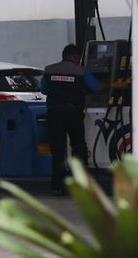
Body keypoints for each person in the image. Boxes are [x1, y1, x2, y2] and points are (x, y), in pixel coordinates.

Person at [41, 43, 101, 196]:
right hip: (74, 113)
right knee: (78, 147)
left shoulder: (49, 70)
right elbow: (96, 87)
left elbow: (44, 90)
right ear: (76, 57)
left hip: (54, 114)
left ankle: (57, 185)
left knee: (58, 150)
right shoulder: (81, 71)